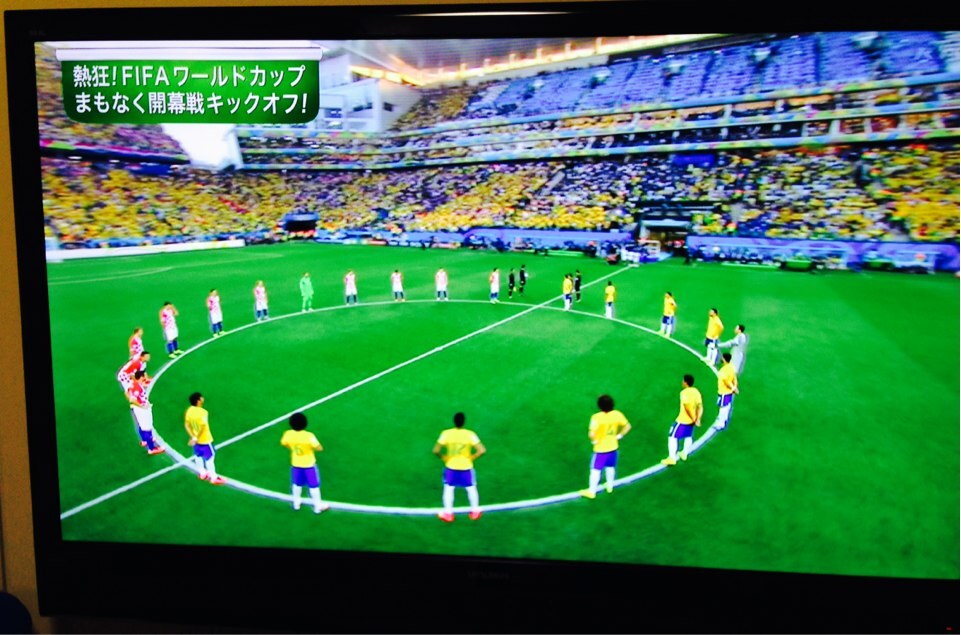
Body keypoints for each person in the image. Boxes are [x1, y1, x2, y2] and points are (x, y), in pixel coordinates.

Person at [432, 412, 485, 522]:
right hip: (466, 467)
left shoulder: (446, 433)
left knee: (448, 489)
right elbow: (482, 450)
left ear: (454, 421)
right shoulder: (470, 434)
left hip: (451, 466)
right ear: (464, 422)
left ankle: (448, 513)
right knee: (471, 488)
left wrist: (443, 457)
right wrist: (472, 457)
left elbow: (436, 450)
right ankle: (475, 511)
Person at [579, 394, 631, 499]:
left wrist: (594, 441)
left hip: (601, 449)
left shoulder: (596, 417)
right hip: (613, 447)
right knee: (610, 467)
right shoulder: (617, 414)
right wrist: (619, 436)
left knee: (595, 470)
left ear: (599, 406)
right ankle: (610, 486)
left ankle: (592, 492)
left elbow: (591, 434)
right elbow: (628, 426)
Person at [281, 412, 329, 513]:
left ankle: (296, 504)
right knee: (313, 486)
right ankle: (317, 507)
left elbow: (284, 443)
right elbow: (319, 448)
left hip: (295, 464)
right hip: (309, 465)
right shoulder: (309, 436)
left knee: (297, 484)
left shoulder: (288, 434)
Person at [184, 392, 226, 484]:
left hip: (196, 441)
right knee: (210, 458)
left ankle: (202, 473)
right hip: (205, 440)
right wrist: (196, 437)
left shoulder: (189, 410)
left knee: (198, 455)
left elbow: (186, 425)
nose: (202, 398)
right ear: (198, 401)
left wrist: (193, 437)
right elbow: (202, 427)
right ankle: (213, 477)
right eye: (201, 397)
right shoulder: (203, 412)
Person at [661, 374, 703, 466]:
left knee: (672, 436)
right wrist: (698, 419)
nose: (682, 382)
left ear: (685, 383)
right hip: (692, 421)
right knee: (688, 436)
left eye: (683, 381)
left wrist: (693, 418)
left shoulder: (683, 393)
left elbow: (687, 407)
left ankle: (672, 458)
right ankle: (684, 453)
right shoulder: (696, 392)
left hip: (683, 420)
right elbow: (700, 407)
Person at [128, 370, 163, 455]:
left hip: (139, 409)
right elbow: (132, 399)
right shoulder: (136, 387)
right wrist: (142, 406)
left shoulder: (135, 384)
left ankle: (145, 441)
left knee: (142, 425)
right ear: (141, 377)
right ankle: (152, 448)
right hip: (142, 410)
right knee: (146, 428)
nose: (145, 377)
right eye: (144, 376)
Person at [713, 353, 739, 430]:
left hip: (724, 392)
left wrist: (733, 388)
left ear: (724, 359)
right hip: (728, 392)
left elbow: (727, 381)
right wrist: (735, 387)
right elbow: (734, 378)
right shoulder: (731, 367)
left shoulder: (723, 371)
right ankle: (722, 420)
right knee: (726, 407)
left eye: (722, 358)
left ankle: (721, 423)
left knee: (723, 408)